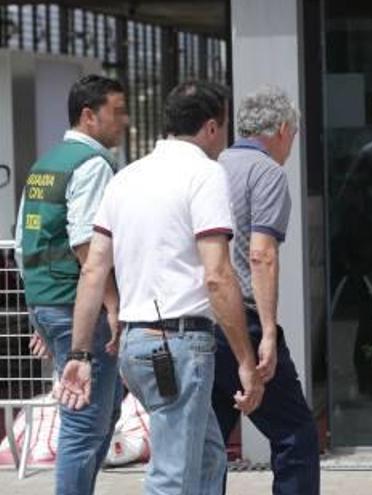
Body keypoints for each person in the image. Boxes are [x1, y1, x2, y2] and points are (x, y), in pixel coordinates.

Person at [57, 80, 265, 494]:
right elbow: (218, 275)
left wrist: (80, 352)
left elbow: (94, 270)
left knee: (207, 458)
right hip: (179, 344)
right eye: (223, 129)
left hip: (137, 343)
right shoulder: (205, 174)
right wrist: (245, 358)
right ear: (210, 128)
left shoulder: (126, 177)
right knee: (171, 477)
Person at [14, 74, 127, 495]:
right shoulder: (91, 164)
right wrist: (113, 304)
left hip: (48, 301)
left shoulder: (46, 164)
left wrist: (39, 313)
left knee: (104, 411)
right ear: (88, 116)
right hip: (79, 305)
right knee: (84, 420)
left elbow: (26, 243)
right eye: (116, 112)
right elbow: (87, 245)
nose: (125, 121)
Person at [211, 86, 320, 494]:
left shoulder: (211, 168)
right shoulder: (267, 173)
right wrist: (270, 333)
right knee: (296, 435)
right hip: (244, 322)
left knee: (209, 444)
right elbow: (261, 254)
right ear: (281, 129)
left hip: (202, 321)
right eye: (294, 134)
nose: (292, 144)